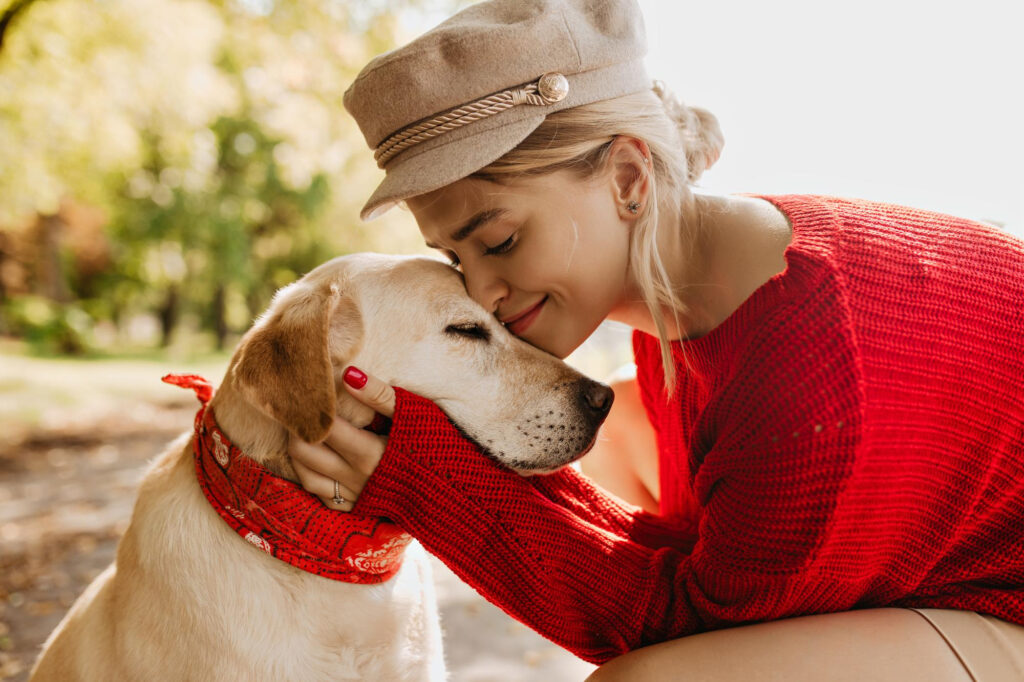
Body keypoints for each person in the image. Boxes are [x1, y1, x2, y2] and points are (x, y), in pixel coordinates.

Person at [286, 0, 1024, 679]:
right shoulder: (700, 286)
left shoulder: (809, 358)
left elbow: (685, 628)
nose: (480, 292)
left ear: (629, 178)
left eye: (501, 240)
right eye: (456, 258)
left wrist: (431, 483)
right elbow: (690, 553)